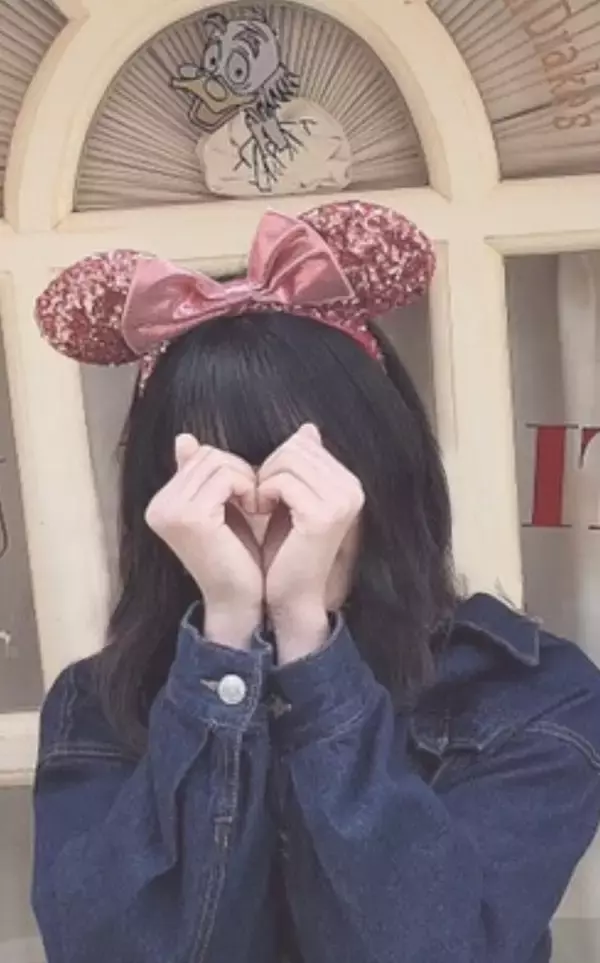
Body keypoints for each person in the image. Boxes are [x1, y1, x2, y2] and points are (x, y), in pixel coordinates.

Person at [31, 201, 600, 963]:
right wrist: (225, 638)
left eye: (300, 472)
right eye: (220, 484)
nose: (268, 512)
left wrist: (307, 634)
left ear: (382, 469)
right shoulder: (98, 704)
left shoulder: (531, 691)